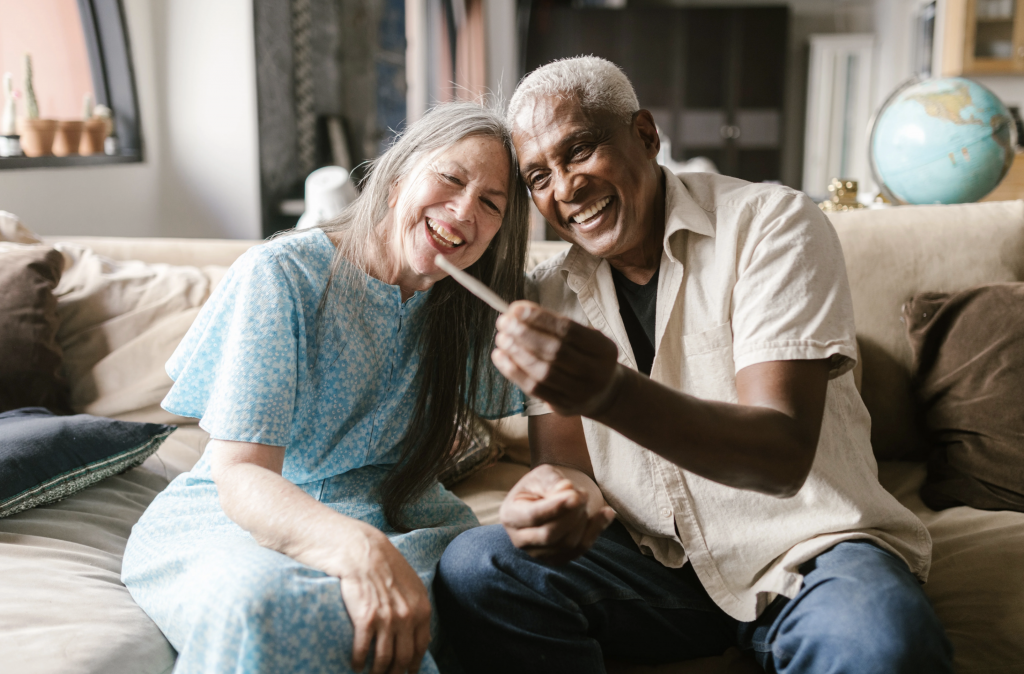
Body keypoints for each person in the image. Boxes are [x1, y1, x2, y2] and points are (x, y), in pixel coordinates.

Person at [434, 57, 954, 673]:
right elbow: (571, 472)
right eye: (538, 176)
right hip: (658, 572)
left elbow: (780, 455)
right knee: (477, 567)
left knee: (884, 644)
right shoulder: (552, 293)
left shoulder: (772, 225)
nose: (565, 189)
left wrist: (607, 390)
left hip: (808, 551)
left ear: (647, 137)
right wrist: (551, 502)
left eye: (579, 150)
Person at [121, 102, 530, 674]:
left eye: (491, 204)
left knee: (486, 602)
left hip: (403, 521)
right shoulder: (281, 275)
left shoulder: (472, 307)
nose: (464, 212)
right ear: (395, 180)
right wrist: (358, 550)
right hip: (246, 516)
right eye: (451, 178)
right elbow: (242, 474)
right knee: (269, 609)